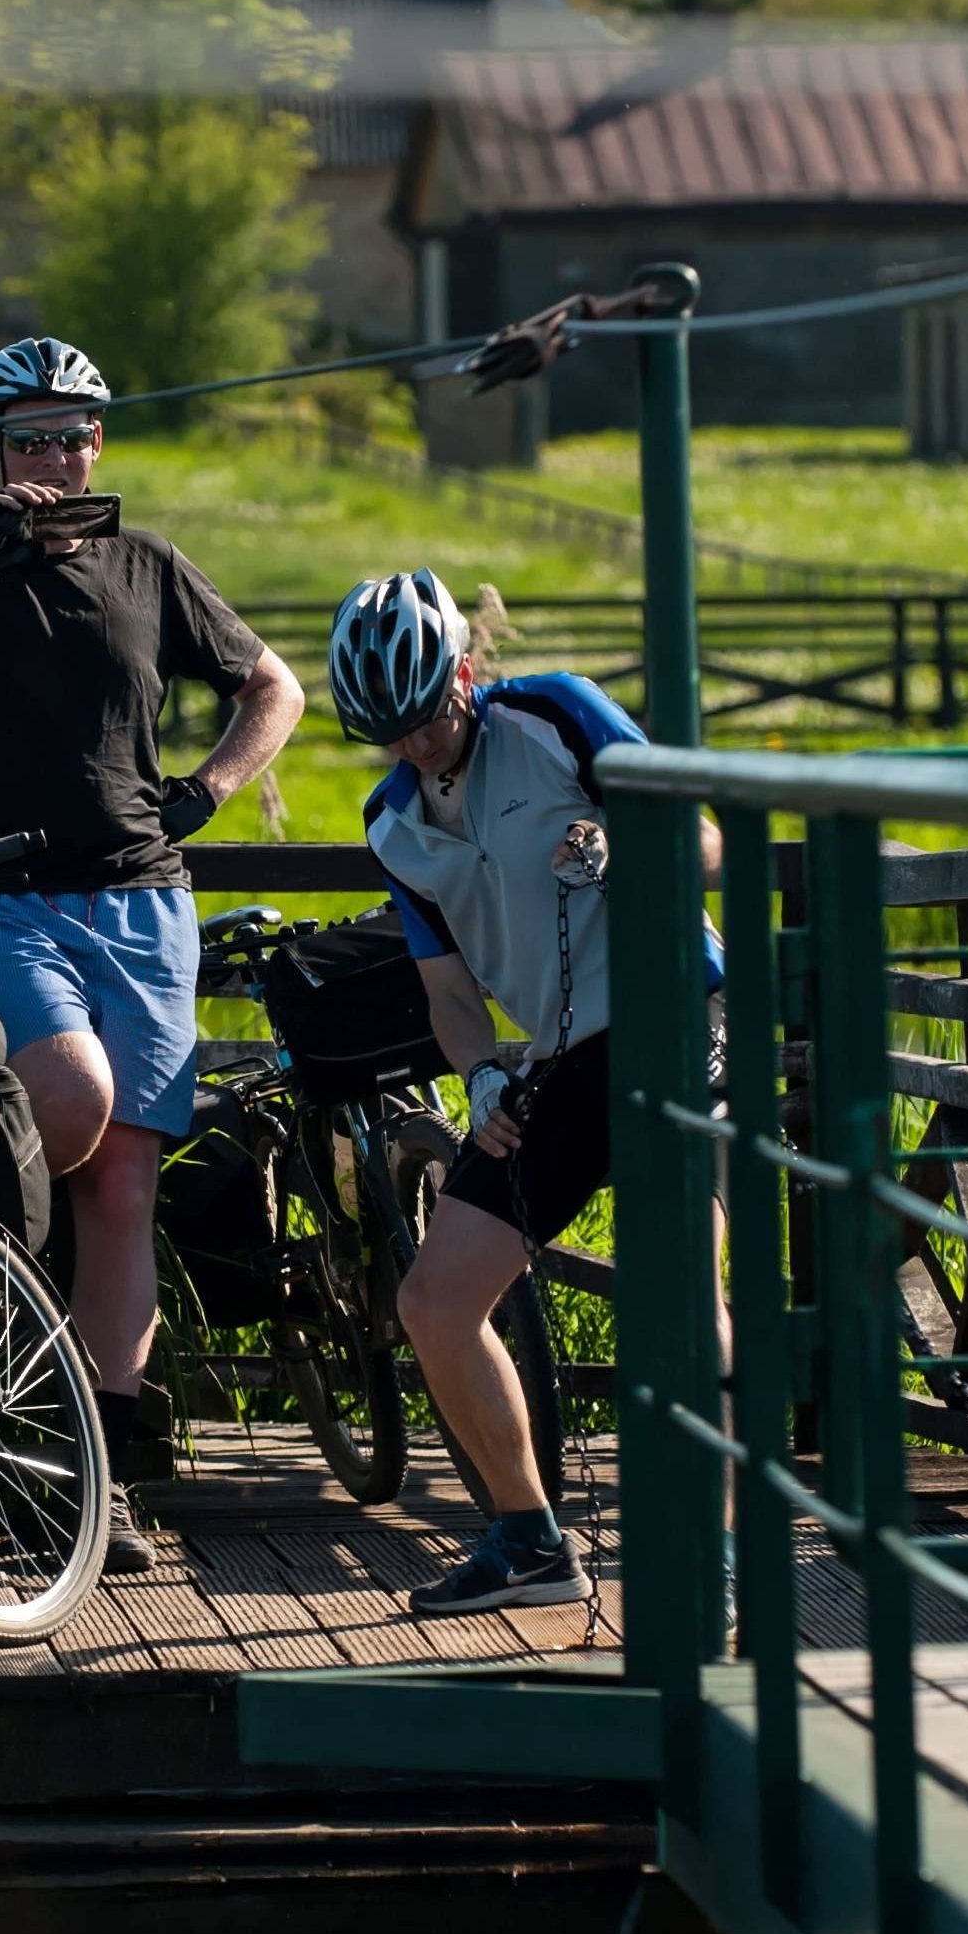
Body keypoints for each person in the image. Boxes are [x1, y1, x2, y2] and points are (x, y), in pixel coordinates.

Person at [0, 338, 306, 1567]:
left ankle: (93, 1475)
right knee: (66, 1101)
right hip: (1, 904)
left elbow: (275, 686)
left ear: (100, 442)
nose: (56, 458)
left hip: (144, 907)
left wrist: (208, 790)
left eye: (75, 435)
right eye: (31, 436)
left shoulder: (149, 566)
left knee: (124, 1188)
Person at [328, 570, 719, 1616]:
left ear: (463, 674)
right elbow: (449, 992)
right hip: (551, 1064)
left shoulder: (555, 714)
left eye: (426, 716)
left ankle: (713, 1557)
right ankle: (529, 1539)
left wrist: (627, 839)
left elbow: (707, 841)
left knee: (682, 1294)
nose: (415, 745)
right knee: (434, 1302)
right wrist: (483, 1073)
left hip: (672, 1018)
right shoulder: (391, 824)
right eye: (389, 732)